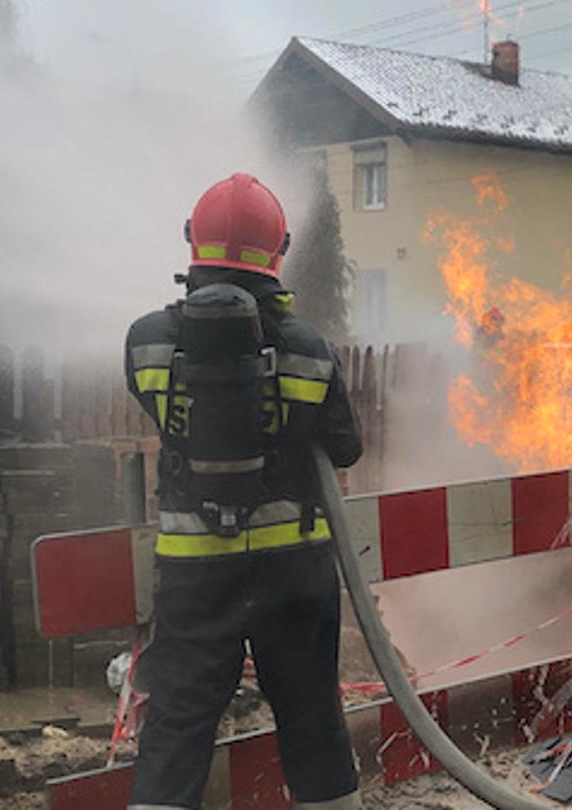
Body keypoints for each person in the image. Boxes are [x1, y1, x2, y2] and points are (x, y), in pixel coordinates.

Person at [124, 172, 363, 810]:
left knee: (176, 728)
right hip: (294, 574)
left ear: (192, 245)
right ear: (278, 251)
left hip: (195, 573)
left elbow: (166, 420)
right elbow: (346, 448)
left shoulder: (147, 342)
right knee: (313, 723)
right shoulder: (308, 350)